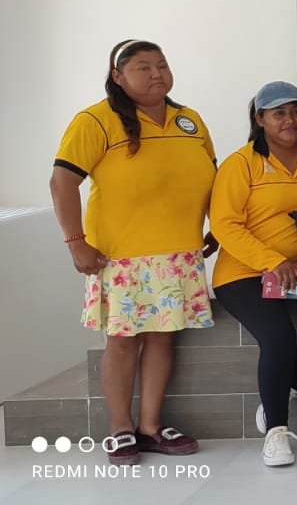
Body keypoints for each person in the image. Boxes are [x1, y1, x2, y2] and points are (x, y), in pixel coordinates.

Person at [49, 39, 215, 465]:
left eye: (162, 65)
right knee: (123, 342)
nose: (156, 73)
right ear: (117, 77)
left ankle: (151, 426)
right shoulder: (96, 120)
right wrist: (75, 242)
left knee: (163, 340)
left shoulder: (188, 120)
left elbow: (212, 178)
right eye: (143, 67)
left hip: (179, 253)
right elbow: (62, 182)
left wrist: (218, 228)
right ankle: (120, 428)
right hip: (121, 257)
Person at [210, 81, 297, 467]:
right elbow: (224, 224)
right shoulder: (242, 163)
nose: (290, 120)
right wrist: (271, 260)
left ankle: (281, 389)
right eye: (279, 113)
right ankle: (276, 432)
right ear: (260, 118)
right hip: (244, 273)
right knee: (278, 334)